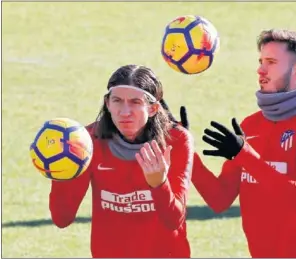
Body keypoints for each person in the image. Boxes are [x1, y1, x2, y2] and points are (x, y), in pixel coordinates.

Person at [181, 29, 296, 258]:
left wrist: (243, 154)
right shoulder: (252, 125)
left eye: (271, 62)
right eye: (261, 61)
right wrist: (186, 150)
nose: (260, 69)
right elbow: (219, 198)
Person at [49, 65, 194, 258]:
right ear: (107, 104)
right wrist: (60, 171)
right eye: (117, 101)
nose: (125, 112)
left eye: (135, 102)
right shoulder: (87, 142)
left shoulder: (176, 141)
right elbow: (62, 219)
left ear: (153, 108)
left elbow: (173, 220)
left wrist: (159, 184)